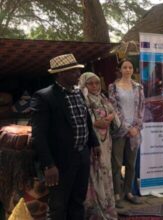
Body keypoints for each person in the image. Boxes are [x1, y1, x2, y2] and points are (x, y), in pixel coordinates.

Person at [31, 54, 100, 219]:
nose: (78, 74)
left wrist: (94, 142)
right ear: (61, 74)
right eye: (74, 71)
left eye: (78, 71)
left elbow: (86, 121)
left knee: (78, 201)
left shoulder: (78, 93)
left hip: (82, 156)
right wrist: (48, 165)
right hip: (60, 161)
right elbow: (38, 135)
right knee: (58, 206)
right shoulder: (44, 97)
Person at [79, 72, 119, 219]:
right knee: (93, 172)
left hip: (106, 140)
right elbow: (83, 120)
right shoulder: (83, 99)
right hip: (92, 141)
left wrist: (110, 117)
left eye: (97, 83)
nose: (95, 86)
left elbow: (113, 112)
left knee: (105, 170)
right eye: (91, 83)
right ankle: (95, 211)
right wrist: (96, 123)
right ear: (84, 84)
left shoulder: (102, 97)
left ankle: (107, 207)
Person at [108, 59, 145, 205]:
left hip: (135, 132)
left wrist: (136, 127)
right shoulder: (113, 87)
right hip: (119, 131)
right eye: (125, 67)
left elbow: (142, 108)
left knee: (131, 164)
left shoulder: (138, 87)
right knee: (116, 164)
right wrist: (126, 127)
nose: (128, 70)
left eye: (130, 67)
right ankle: (117, 194)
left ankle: (128, 192)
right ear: (120, 69)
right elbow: (113, 109)